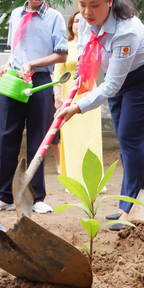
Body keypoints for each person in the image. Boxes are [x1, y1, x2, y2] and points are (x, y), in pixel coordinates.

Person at [56, 0, 144, 231]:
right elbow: (85, 51)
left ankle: (130, 209)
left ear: (109, 1)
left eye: (94, 5)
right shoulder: (85, 21)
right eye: (82, 4)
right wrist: (78, 83)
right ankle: (125, 202)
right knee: (124, 138)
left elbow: (112, 85)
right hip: (119, 77)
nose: (87, 11)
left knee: (131, 138)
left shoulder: (126, 30)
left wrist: (77, 107)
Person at [0, 0, 68, 214]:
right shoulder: (15, 14)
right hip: (14, 80)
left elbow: (61, 53)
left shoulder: (54, 17)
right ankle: (3, 197)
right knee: (6, 138)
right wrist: (8, 64)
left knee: (38, 140)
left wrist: (32, 63)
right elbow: (16, 49)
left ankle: (36, 197)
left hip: (41, 81)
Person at [53, 11, 104, 181]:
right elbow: (58, 73)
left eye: (82, 21)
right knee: (72, 136)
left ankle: (93, 179)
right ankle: (74, 178)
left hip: (89, 92)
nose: (78, 24)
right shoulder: (65, 46)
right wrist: (57, 97)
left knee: (91, 136)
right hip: (69, 93)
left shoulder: (94, 45)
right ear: (71, 25)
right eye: (76, 21)